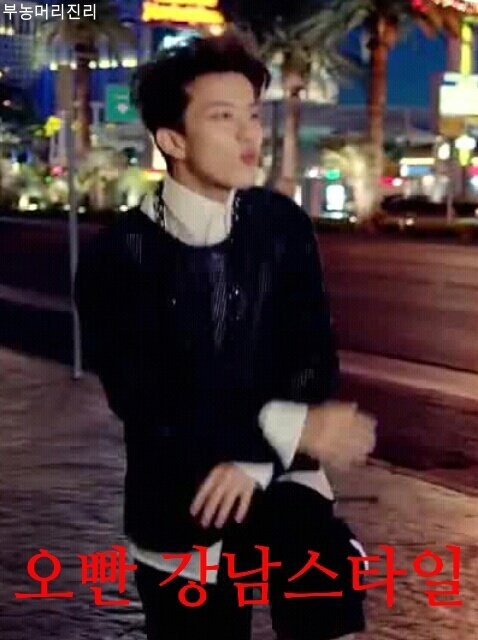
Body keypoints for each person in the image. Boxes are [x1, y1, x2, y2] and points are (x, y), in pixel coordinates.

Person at [75, 31, 376, 640]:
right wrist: (287, 428)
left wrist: (256, 457)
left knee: (327, 582)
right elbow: (149, 399)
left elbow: (312, 362)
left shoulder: (280, 225)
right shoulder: (121, 254)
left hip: (285, 486)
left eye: (253, 116)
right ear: (173, 140)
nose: (248, 135)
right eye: (222, 117)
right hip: (184, 501)